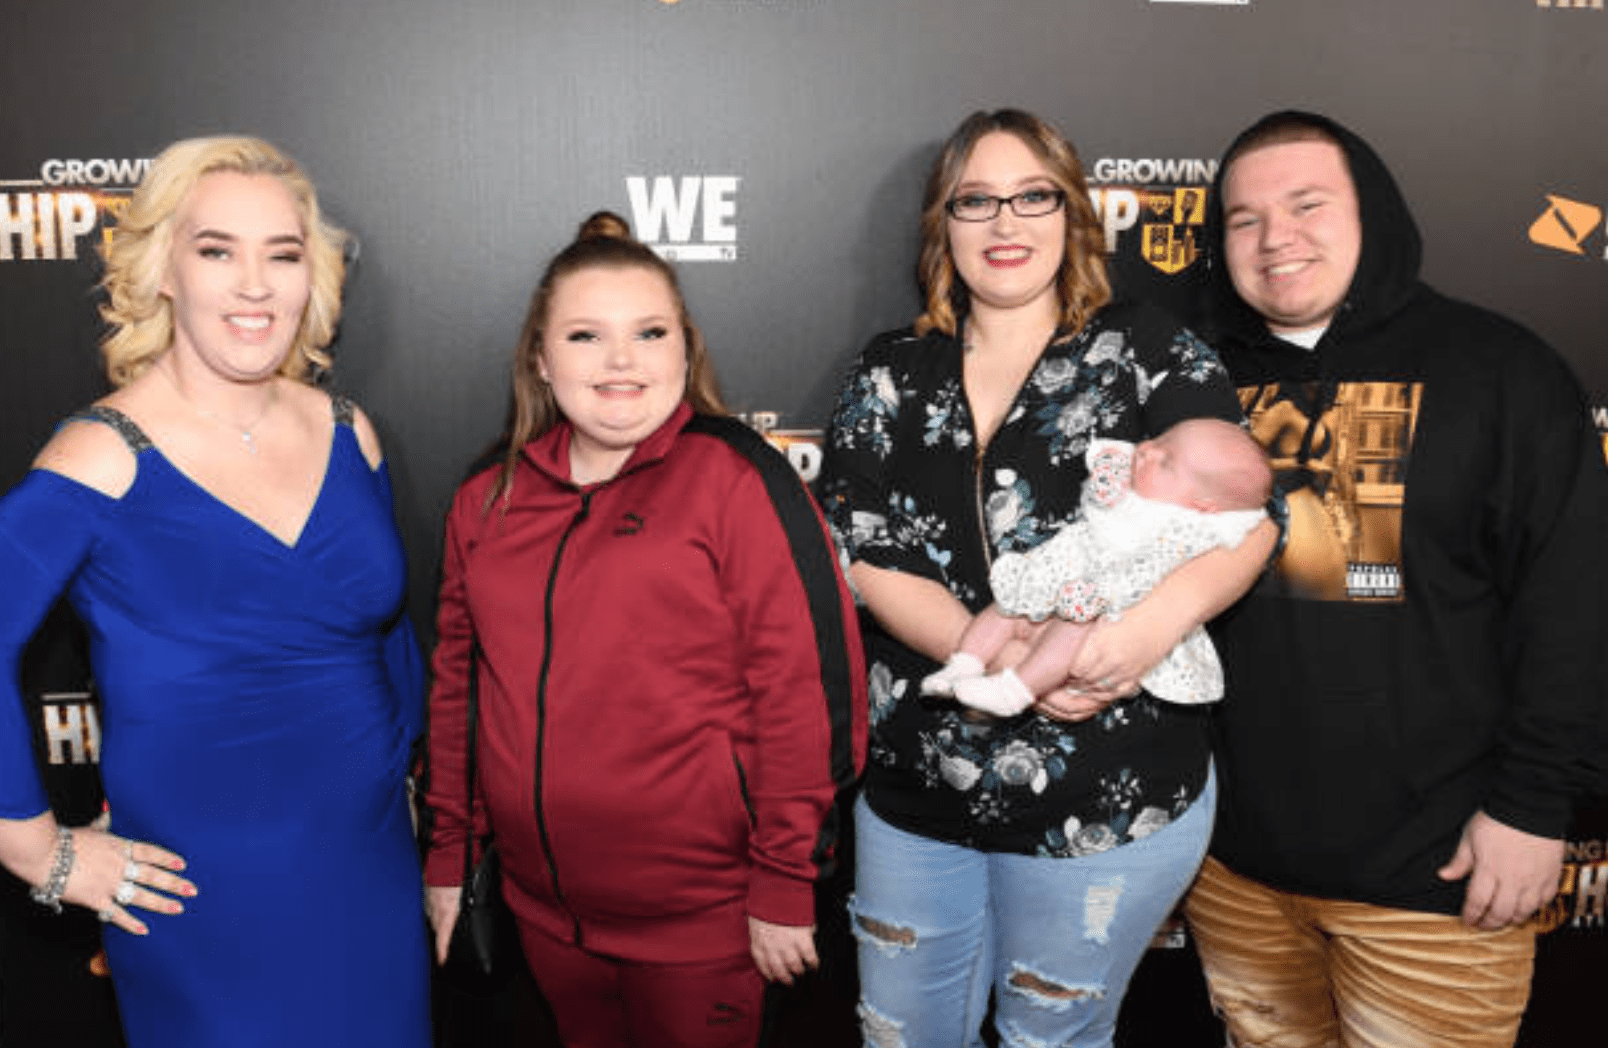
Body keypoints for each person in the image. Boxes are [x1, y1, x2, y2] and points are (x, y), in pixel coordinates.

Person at [817, 108, 1276, 1048]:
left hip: (1107, 790)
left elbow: (1247, 525)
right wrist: (999, 661)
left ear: (1072, 216)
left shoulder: (1150, 350)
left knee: (1051, 1041)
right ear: (942, 228)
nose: (1004, 223)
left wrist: (1131, 641)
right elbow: (860, 547)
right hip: (918, 790)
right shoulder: (890, 370)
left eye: (1033, 196)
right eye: (974, 200)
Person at [1182, 110, 1608, 1048]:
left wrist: (1537, 808)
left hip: (1444, 881)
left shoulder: (1502, 370)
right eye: (1243, 219)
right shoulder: (1185, 377)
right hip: (1231, 873)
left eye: (1306, 204)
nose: (1273, 237)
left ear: (1372, 211)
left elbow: (1574, 606)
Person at [0, 136, 431, 1046]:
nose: (254, 285)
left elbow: (386, 636)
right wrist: (37, 848)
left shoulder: (352, 433)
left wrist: (406, 772)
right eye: (216, 251)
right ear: (162, 269)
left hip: (370, 874)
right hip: (204, 898)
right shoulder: (103, 456)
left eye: (282, 254)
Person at [419, 211, 867, 1048]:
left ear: (684, 351)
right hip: (543, 919)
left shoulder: (737, 479)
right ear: (542, 361)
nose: (621, 360)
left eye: (649, 332)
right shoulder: (487, 500)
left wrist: (783, 881)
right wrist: (450, 856)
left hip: (709, 926)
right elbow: (459, 694)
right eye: (586, 335)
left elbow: (809, 693)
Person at [923, 418, 1270, 717]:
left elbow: (1259, 523)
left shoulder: (1195, 527)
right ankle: (963, 665)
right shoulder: (1132, 480)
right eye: (1158, 440)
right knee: (1007, 606)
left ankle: (1017, 690)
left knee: (1071, 630)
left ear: (1205, 506)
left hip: (1106, 605)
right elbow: (1103, 466)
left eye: (1165, 462)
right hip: (1061, 577)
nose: (1147, 449)